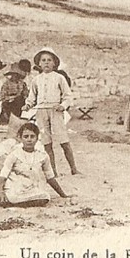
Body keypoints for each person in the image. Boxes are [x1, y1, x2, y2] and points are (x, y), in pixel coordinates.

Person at [24, 47, 79, 175]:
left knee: (64, 141)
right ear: (39, 64)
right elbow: (32, 97)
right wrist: (27, 105)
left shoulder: (59, 78)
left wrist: (63, 106)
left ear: (54, 63)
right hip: (41, 112)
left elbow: (68, 96)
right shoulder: (36, 80)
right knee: (46, 143)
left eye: (49, 60)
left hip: (55, 111)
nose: (46, 63)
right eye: (43, 60)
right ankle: (53, 171)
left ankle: (74, 169)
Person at [0, 122, 69, 206]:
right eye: (26, 137)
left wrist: (63, 195)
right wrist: (0, 192)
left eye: (32, 136)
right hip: (15, 187)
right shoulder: (14, 155)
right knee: (13, 196)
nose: (29, 140)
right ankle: (6, 199)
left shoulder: (43, 155)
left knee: (45, 197)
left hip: (32, 188)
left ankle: (11, 202)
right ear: (20, 138)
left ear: (37, 138)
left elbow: (50, 178)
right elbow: (2, 177)